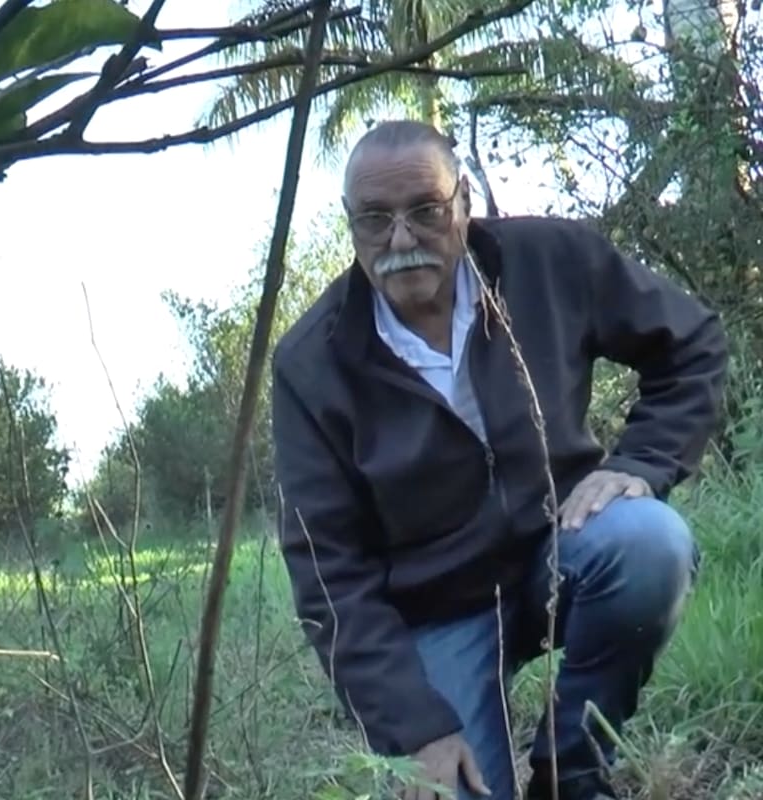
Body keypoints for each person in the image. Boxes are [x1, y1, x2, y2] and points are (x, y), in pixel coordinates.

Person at [270, 119, 728, 800]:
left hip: (561, 548)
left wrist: (644, 461)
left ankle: (570, 768)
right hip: (433, 613)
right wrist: (415, 727)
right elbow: (329, 574)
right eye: (374, 220)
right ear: (350, 223)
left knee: (649, 542)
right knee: (453, 789)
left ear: (463, 204)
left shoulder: (551, 260)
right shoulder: (312, 362)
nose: (400, 240)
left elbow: (691, 344)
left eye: (425, 211)